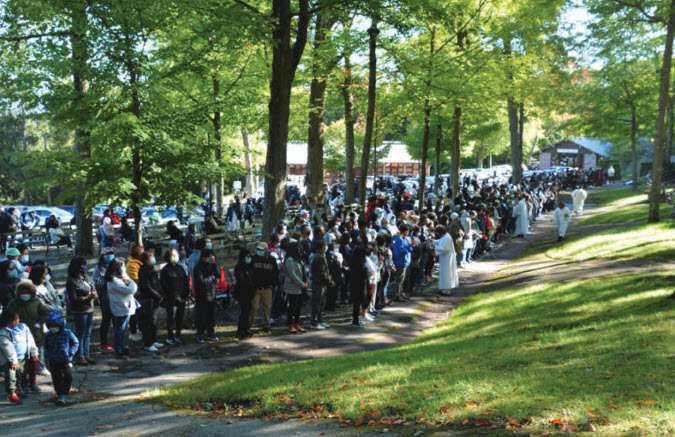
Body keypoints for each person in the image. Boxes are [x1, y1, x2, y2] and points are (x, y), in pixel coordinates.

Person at [5, 279, 49, 392]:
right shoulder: (13, 303)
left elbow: (45, 312)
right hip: (19, 338)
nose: (25, 295)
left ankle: (33, 382)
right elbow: (6, 316)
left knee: (33, 360)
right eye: (22, 293)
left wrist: (39, 322)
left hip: (34, 335)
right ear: (19, 293)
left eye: (27, 293)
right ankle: (23, 382)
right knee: (22, 363)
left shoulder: (36, 302)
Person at [0, 309, 38, 405]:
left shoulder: (24, 328)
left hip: (22, 358)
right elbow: (8, 348)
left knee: (19, 375)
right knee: (11, 377)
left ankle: (17, 389)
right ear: (7, 321)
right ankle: (11, 394)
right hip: (11, 361)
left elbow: (30, 340)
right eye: (14, 320)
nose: (16, 322)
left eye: (17, 319)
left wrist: (33, 352)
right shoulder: (4, 333)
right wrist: (13, 361)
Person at [29, 264, 60, 375]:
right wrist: (55, 309)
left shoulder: (44, 286)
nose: (46, 278)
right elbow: (42, 305)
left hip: (50, 318)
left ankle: (45, 364)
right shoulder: (32, 289)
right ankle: (40, 367)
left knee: (47, 343)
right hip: (40, 320)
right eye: (44, 275)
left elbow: (53, 299)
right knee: (39, 345)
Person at [65, 256, 97, 366]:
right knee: (80, 334)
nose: (84, 267)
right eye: (82, 265)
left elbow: (92, 287)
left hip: (90, 309)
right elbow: (74, 299)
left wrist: (94, 294)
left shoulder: (85, 277)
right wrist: (88, 297)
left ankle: (87, 354)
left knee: (88, 333)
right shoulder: (71, 281)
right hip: (80, 310)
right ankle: (80, 356)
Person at [43, 311, 78, 406]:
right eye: (51, 326)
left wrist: (70, 353)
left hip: (66, 360)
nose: (53, 328)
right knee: (56, 379)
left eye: (55, 325)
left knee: (68, 376)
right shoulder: (48, 335)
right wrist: (47, 356)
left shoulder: (67, 333)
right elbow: (46, 347)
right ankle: (60, 394)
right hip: (53, 361)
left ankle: (65, 393)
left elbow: (75, 343)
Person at [106, 258, 138, 360]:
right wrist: (127, 277)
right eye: (123, 266)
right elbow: (131, 289)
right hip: (121, 308)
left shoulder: (119, 279)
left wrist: (126, 277)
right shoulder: (114, 281)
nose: (124, 268)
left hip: (125, 307)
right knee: (119, 330)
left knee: (123, 330)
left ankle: (123, 348)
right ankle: (119, 351)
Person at [160, 248, 189, 345]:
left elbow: (185, 280)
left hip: (182, 296)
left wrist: (185, 293)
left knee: (180, 317)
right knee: (170, 317)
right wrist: (172, 295)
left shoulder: (180, 268)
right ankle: (170, 336)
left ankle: (178, 335)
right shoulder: (165, 270)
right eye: (172, 255)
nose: (175, 257)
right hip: (170, 297)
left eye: (176, 255)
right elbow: (164, 285)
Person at [137, 251, 164, 352]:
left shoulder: (152, 269)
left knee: (153, 321)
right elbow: (147, 287)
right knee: (147, 323)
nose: (153, 259)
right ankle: (148, 343)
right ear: (146, 260)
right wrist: (157, 295)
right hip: (147, 300)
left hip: (154, 300)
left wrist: (161, 294)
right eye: (151, 257)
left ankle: (153, 340)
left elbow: (157, 284)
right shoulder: (143, 271)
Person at [250, 242, 279, 332]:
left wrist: (272, 284)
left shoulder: (272, 260)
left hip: (267, 288)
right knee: (253, 307)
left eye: (261, 250)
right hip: (255, 288)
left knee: (267, 307)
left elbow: (275, 273)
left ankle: (266, 325)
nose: (259, 251)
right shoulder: (253, 259)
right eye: (258, 250)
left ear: (266, 250)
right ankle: (249, 325)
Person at [193, 249, 219, 343]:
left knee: (211, 315)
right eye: (208, 257)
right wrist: (212, 278)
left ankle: (211, 332)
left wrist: (215, 264)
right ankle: (199, 334)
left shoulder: (211, 265)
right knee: (201, 316)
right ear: (204, 257)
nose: (210, 258)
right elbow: (201, 281)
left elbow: (218, 275)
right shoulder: (198, 267)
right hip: (202, 295)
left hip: (212, 293)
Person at [92, 251, 115, 352]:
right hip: (105, 298)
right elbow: (97, 282)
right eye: (108, 254)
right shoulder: (99, 268)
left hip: (115, 297)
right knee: (106, 320)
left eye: (112, 253)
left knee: (116, 321)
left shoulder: (115, 265)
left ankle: (117, 342)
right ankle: (103, 343)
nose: (110, 256)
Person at [283, 243, 307, 334]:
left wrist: (305, 282)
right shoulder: (290, 260)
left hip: (300, 287)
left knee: (298, 307)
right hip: (292, 287)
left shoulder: (298, 259)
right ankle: (290, 325)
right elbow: (292, 275)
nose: (300, 250)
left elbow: (302, 271)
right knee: (292, 307)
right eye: (298, 248)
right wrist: (302, 284)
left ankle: (297, 324)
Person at [309, 240, 333, 330]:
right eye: (324, 246)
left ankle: (320, 320)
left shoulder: (321, 256)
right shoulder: (318, 257)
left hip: (321, 283)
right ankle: (314, 322)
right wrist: (329, 281)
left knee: (321, 302)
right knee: (317, 303)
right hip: (318, 283)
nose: (325, 248)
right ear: (321, 247)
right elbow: (322, 273)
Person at [234, 248, 256, 338]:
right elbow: (241, 280)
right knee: (244, 311)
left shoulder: (250, 266)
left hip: (250, 292)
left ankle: (246, 328)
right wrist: (250, 284)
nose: (249, 258)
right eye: (247, 256)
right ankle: (241, 329)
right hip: (242, 292)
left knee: (248, 311)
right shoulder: (239, 267)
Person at [432, 225, 459, 295]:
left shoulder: (447, 238)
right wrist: (433, 241)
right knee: (444, 273)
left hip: (447, 259)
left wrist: (434, 246)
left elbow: (444, 248)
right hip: (445, 258)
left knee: (446, 273)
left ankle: (446, 289)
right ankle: (444, 288)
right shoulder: (445, 236)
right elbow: (440, 242)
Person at [125, 245, 144, 342]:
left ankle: (140, 330)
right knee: (134, 313)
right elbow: (136, 279)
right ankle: (133, 332)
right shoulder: (132, 264)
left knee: (140, 313)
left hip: (141, 291)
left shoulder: (141, 263)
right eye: (141, 252)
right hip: (134, 292)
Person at [390, 224, 413, 302]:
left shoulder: (403, 238)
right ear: (405, 231)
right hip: (400, 262)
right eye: (407, 231)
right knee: (399, 280)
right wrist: (410, 246)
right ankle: (397, 295)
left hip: (404, 262)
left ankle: (401, 294)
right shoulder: (399, 239)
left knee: (402, 280)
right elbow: (401, 251)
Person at [349, 245, 368, 328]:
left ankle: (355, 319)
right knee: (358, 302)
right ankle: (355, 320)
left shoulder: (353, 260)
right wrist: (366, 271)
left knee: (356, 303)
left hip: (354, 283)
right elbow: (363, 274)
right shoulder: (360, 262)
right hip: (359, 284)